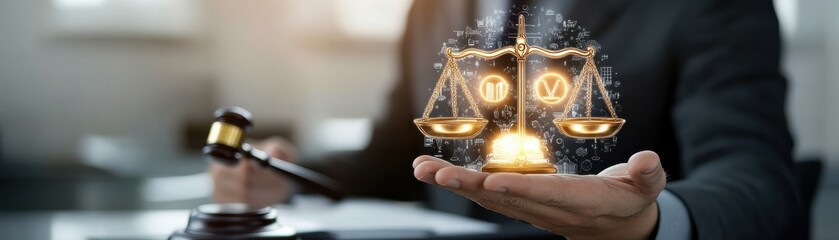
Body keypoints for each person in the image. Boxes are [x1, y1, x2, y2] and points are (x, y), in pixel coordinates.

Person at [210, 0, 805, 239]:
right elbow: (396, 153)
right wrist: (286, 177)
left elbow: (758, 179)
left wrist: (648, 222)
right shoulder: (433, 6)